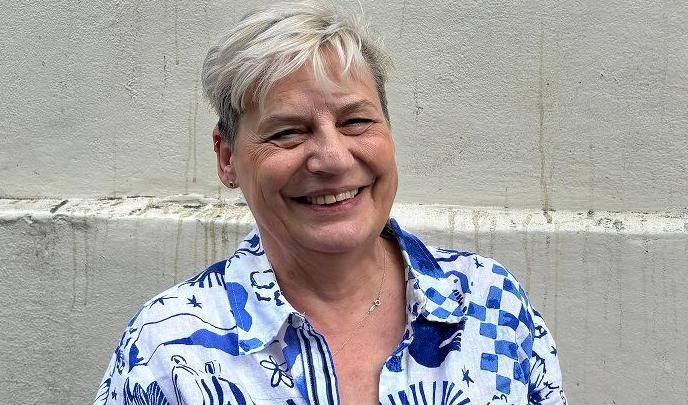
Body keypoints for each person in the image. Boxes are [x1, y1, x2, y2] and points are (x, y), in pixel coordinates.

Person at [94, 1, 566, 404]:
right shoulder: (167, 347)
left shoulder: (490, 303)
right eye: (287, 132)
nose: (333, 158)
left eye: (356, 121)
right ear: (227, 158)